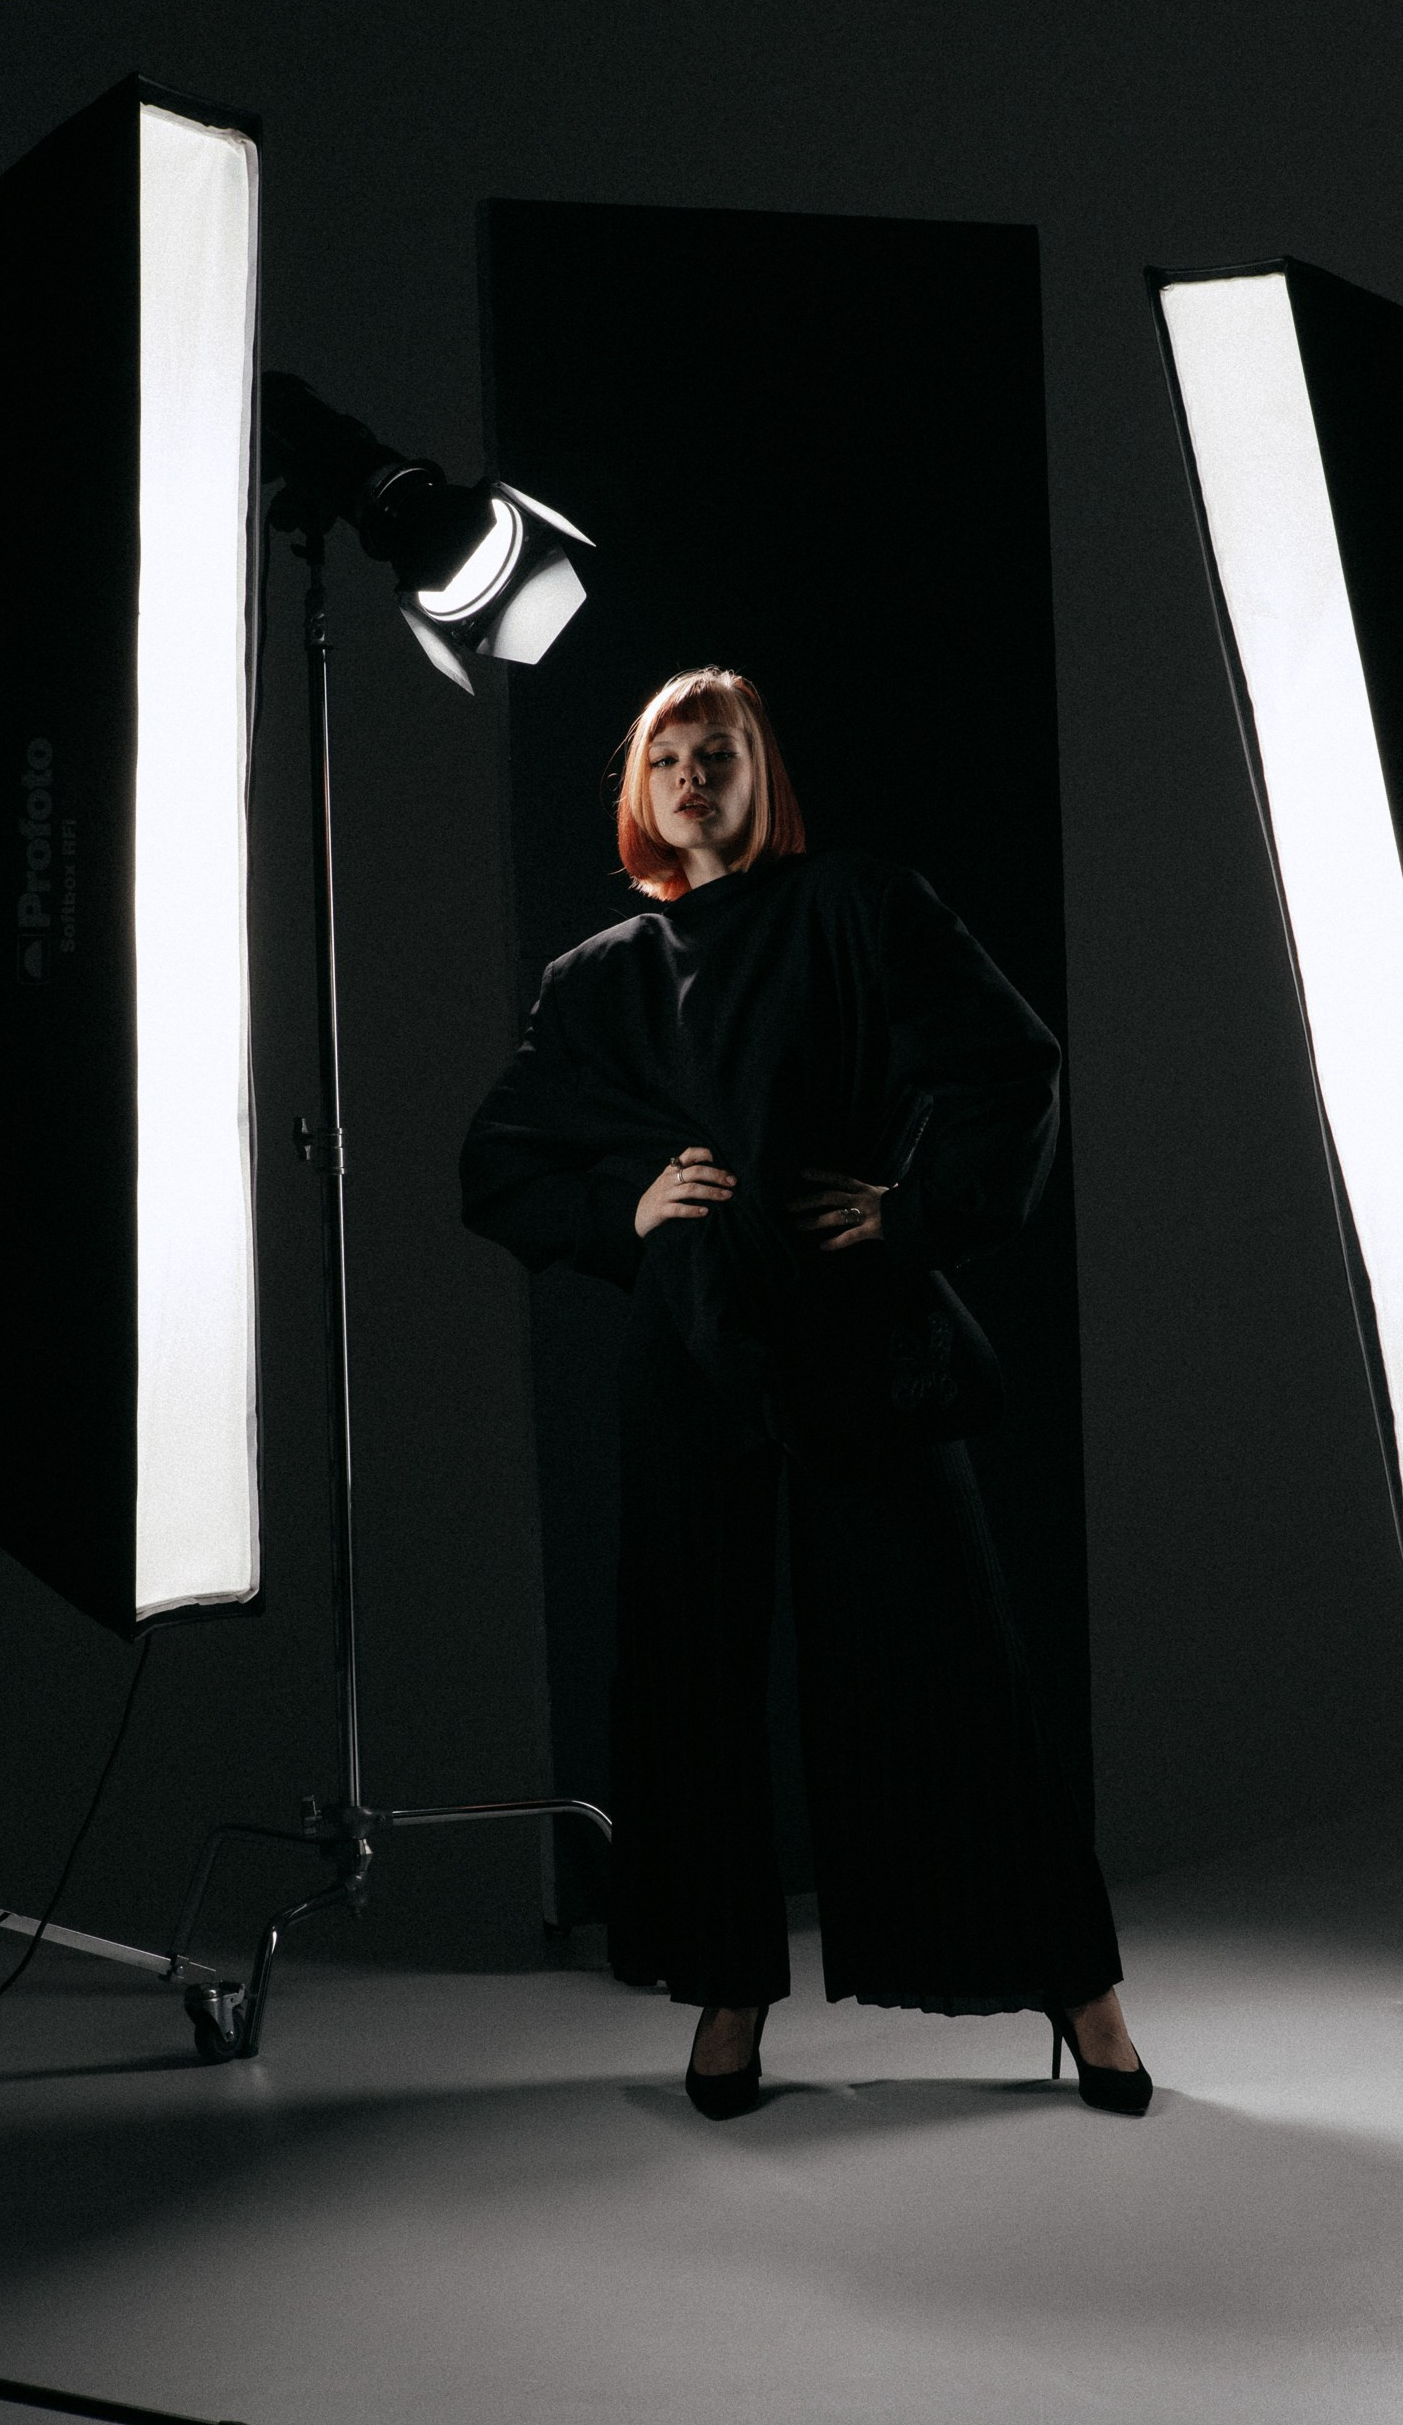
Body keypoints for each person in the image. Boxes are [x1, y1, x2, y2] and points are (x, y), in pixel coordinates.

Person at [460, 666, 1149, 2119]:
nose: (692, 777)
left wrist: (910, 1214)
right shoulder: (595, 978)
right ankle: (728, 1995)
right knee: (693, 1674)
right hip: (692, 1355)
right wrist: (621, 1212)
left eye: (718, 752)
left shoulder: (857, 904)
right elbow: (498, 1163)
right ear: (640, 792)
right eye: (667, 758)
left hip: (858, 1334)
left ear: (758, 772)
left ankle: (1079, 1990)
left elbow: (1011, 1064)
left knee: (950, 1662)